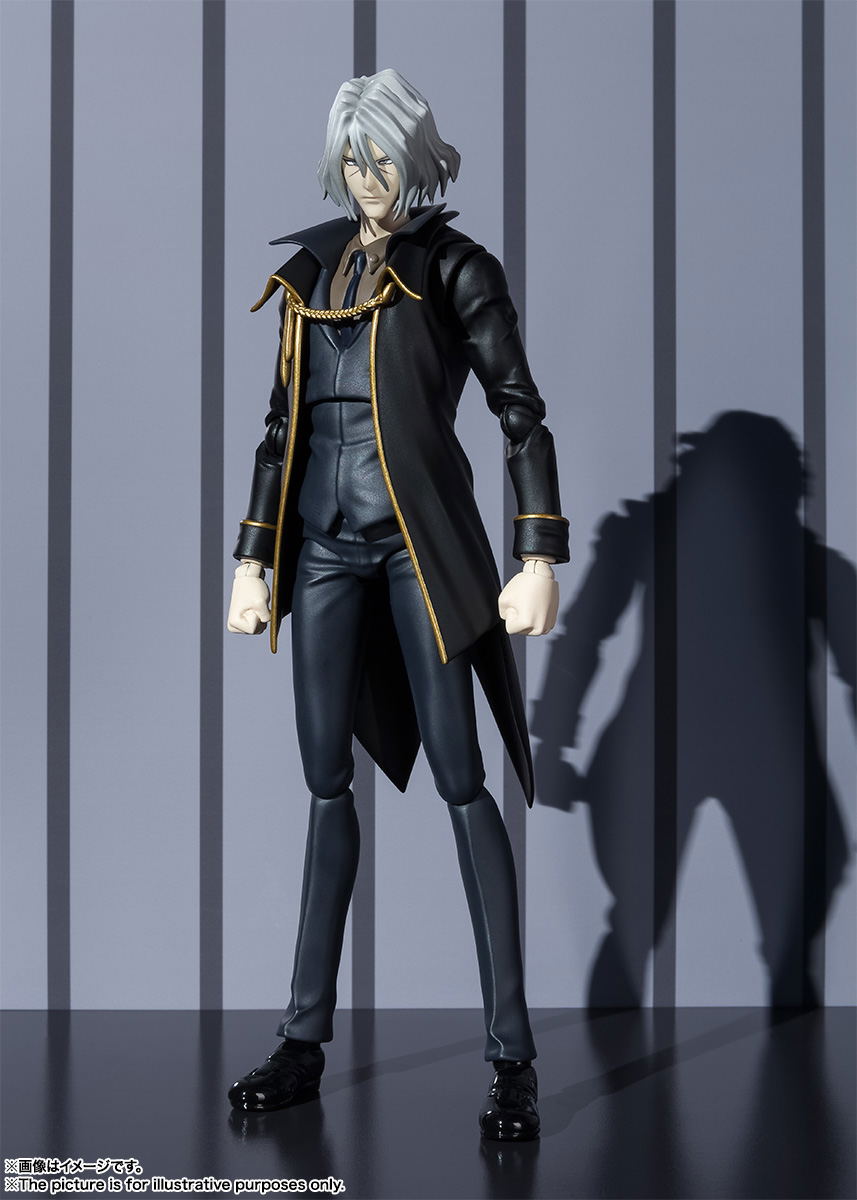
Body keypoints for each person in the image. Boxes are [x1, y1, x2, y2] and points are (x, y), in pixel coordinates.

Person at [225, 69, 569, 1141]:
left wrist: (538, 552)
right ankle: (301, 1039)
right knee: (324, 785)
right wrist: (252, 559)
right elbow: (280, 430)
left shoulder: (453, 267)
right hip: (322, 555)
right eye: (354, 158)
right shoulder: (311, 271)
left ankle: (511, 1057)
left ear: (414, 157)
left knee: (464, 786)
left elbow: (519, 413)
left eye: (383, 157)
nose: (369, 176)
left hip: (420, 552)